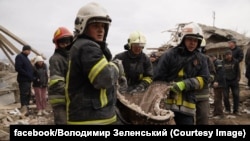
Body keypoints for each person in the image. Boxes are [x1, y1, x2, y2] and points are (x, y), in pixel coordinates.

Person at [65, 2, 124, 125]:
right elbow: (104, 78)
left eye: (103, 26)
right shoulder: (87, 46)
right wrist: (116, 66)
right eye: (95, 26)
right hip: (93, 118)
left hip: (90, 116)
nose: (101, 30)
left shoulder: (82, 46)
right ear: (83, 26)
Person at [153, 22, 210, 125]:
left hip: (187, 108)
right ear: (183, 39)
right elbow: (158, 79)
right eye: (190, 39)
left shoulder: (201, 59)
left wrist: (185, 84)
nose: (192, 43)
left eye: (195, 40)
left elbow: (205, 79)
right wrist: (167, 87)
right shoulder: (169, 55)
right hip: (167, 106)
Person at [48, 27, 73, 124]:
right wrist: (73, 92)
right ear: (57, 44)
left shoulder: (70, 57)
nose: (66, 44)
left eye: (67, 42)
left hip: (68, 97)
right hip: (59, 98)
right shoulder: (56, 59)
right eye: (63, 42)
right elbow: (56, 82)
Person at [195, 38, 216, 125]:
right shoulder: (184, 59)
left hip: (202, 95)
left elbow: (212, 74)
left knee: (203, 117)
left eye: (200, 48)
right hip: (187, 94)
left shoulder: (207, 59)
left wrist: (204, 80)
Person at [15, 45, 34, 116]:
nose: (30, 52)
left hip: (28, 80)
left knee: (28, 95)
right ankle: (24, 109)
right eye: (28, 50)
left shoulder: (26, 58)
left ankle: (27, 108)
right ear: (24, 50)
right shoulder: (19, 57)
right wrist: (28, 75)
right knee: (24, 94)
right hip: (23, 79)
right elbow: (18, 68)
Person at [223, 50, 241, 115]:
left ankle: (236, 110)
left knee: (236, 95)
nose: (229, 56)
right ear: (225, 56)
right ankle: (227, 109)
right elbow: (221, 71)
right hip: (225, 81)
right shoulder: (222, 62)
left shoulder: (235, 61)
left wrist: (238, 78)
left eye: (230, 54)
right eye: (227, 55)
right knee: (225, 96)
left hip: (234, 81)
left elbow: (238, 71)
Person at [209, 54, 226, 119]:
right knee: (216, 99)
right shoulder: (214, 63)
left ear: (213, 57)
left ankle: (220, 114)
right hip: (217, 84)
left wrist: (216, 81)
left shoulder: (218, 63)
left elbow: (220, 73)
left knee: (218, 99)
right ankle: (215, 113)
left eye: (210, 59)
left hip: (219, 84)